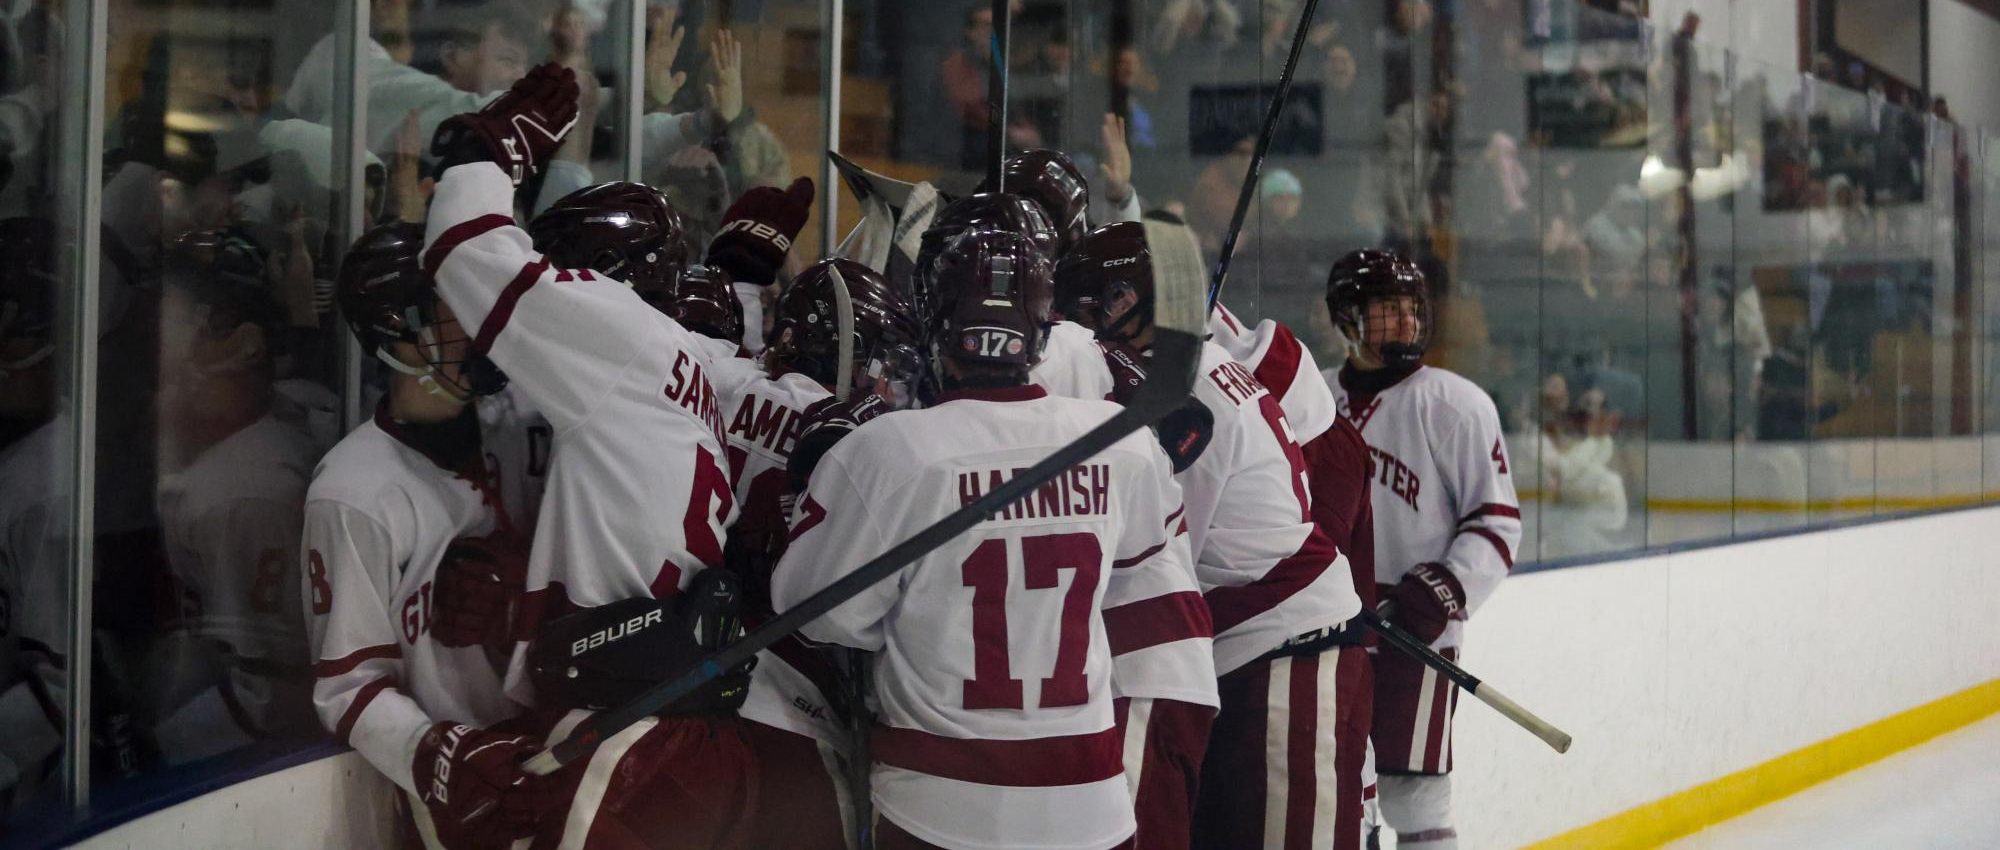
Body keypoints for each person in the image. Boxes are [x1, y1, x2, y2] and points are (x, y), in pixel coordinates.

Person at [422, 63, 813, 846]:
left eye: (565, 273)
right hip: (682, 730)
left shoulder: (617, 337)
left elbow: (463, 251)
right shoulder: (687, 364)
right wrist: (737, 277)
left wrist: (490, 152)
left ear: (601, 284)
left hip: (629, 738)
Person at [772, 228, 1210, 850]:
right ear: (1040, 329)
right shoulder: (1119, 438)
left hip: (942, 805)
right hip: (1091, 807)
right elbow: (1134, 558)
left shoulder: (888, 452)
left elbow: (816, 615)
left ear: (935, 323)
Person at [1047, 219, 1362, 850]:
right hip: (1260, 654)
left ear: (1128, 304)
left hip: (1288, 659)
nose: (1083, 330)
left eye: (1091, 311)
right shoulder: (1198, 364)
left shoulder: (1182, 389)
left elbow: (1162, 547)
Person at [304, 222, 555, 847]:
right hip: (466, 779)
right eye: (453, 313)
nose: (479, 323)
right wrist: (441, 755)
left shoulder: (530, 419)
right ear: (400, 337)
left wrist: (521, 586)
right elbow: (348, 686)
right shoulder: (352, 492)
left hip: (561, 730)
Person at [1322, 249, 1521, 850]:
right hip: (1325, 627)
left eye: (1413, 309)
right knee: (1332, 792)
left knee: (1414, 796)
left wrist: (1441, 591)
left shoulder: (1455, 404)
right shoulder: (1313, 399)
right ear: (1348, 316)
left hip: (1416, 632)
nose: (1406, 323)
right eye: (1388, 309)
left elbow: (1497, 522)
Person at [150, 231, 324, 759]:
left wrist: (159, 749)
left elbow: (272, 687)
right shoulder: (282, 417)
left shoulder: (244, 492)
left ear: (244, 346)